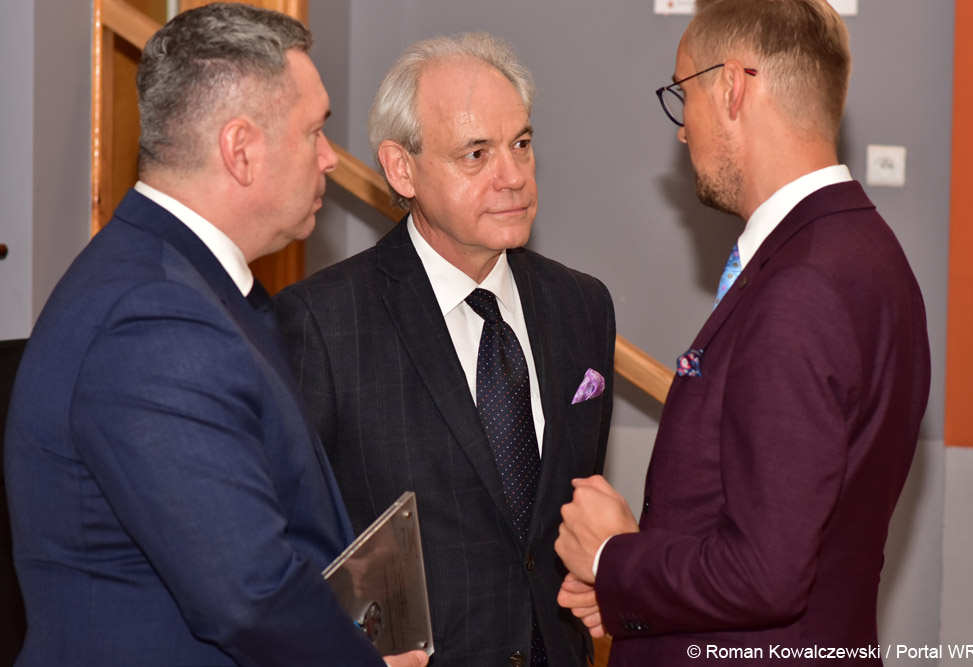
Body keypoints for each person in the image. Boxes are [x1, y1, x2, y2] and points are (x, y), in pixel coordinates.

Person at [3, 4, 428, 666]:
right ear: (240, 150)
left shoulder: (183, 283)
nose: (329, 158)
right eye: (315, 131)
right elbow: (250, 593)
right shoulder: (154, 318)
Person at [555, 0, 931, 664]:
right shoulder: (873, 252)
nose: (682, 131)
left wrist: (613, 557)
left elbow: (764, 574)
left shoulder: (800, 287)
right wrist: (629, 587)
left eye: (683, 94)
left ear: (731, 87)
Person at [275, 32, 615, 667]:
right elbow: (287, 537)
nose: (513, 177)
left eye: (521, 144)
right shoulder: (323, 321)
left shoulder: (581, 305)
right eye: (476, 154)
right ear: (401, 168)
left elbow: (564, 512)